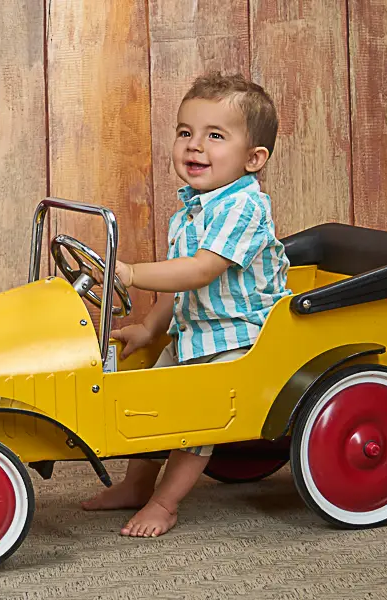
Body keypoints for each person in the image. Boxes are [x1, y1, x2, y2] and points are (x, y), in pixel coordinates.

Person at [81, 72, 291, 537]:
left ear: (253, 158)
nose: (195, 146)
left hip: (241, 339)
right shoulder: (193, 209)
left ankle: (165, 502)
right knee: (152, 403)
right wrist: (151, 329)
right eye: (185, 132)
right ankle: (137, 485)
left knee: (197, 416)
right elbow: (183, 290)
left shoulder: (244, 208)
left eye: (215, 136)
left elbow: (199, 272)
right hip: (195, 335)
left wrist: (132, 273)